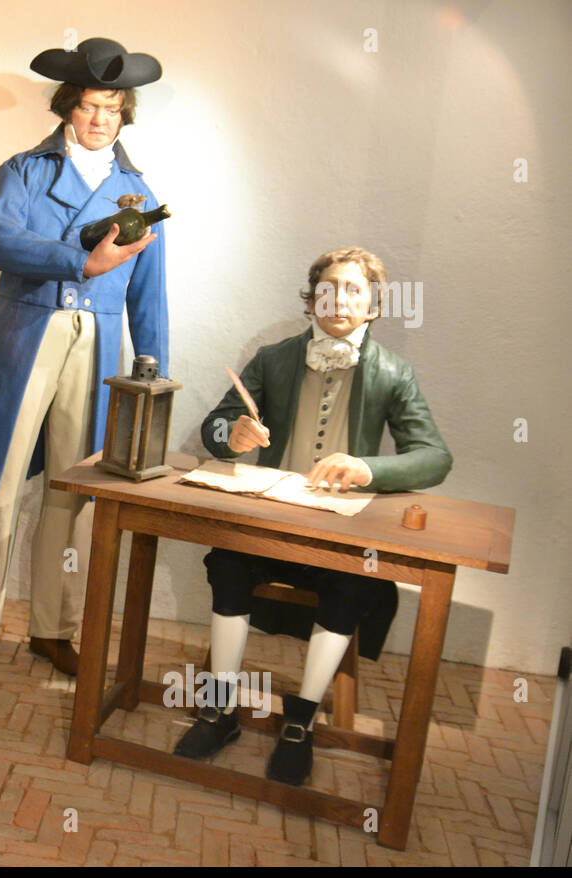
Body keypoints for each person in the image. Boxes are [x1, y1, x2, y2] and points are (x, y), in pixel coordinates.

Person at [177, 246, 452, 785]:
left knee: (352, 586)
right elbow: (215, 424)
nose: (339, 299)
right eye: (328, 287)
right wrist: (230, 436)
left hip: (339, 529)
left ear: (373, 306)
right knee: (228, 563)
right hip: (271, 519)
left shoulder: (394, 372)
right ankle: (219, 709)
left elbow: (436, 457)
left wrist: (369, 468)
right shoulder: (274, 358)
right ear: (311, 300)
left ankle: (300, 722)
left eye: (354, 289)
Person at [0, 38, 170, 685]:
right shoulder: (22, 172)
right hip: (25, 335)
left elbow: (149, 293)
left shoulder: (138, 193)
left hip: (98, 348)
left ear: (125, 112)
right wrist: (80, 261)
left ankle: (52, 629)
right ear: (69, 105)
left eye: (113, 106)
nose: (101, 117)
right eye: (90, 105)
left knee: (73, 494)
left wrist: (150, 369)